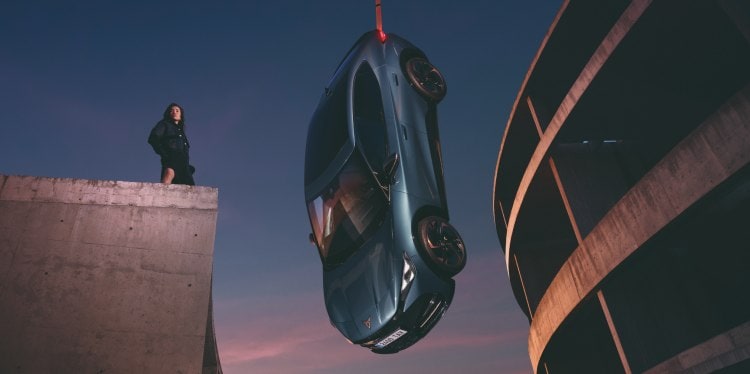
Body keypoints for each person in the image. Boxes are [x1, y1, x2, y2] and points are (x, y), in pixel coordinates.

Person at [147, 103, 196, 185]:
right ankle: (161, 196)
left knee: (191, 188)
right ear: (168, 114)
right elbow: (153, 138)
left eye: (177, 110)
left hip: (184, 164)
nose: (174, 112)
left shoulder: (181, 132)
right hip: (171, 158)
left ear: (181, 115)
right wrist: (164, 154)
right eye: (171, 110)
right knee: (169, 174)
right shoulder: (164, 124)